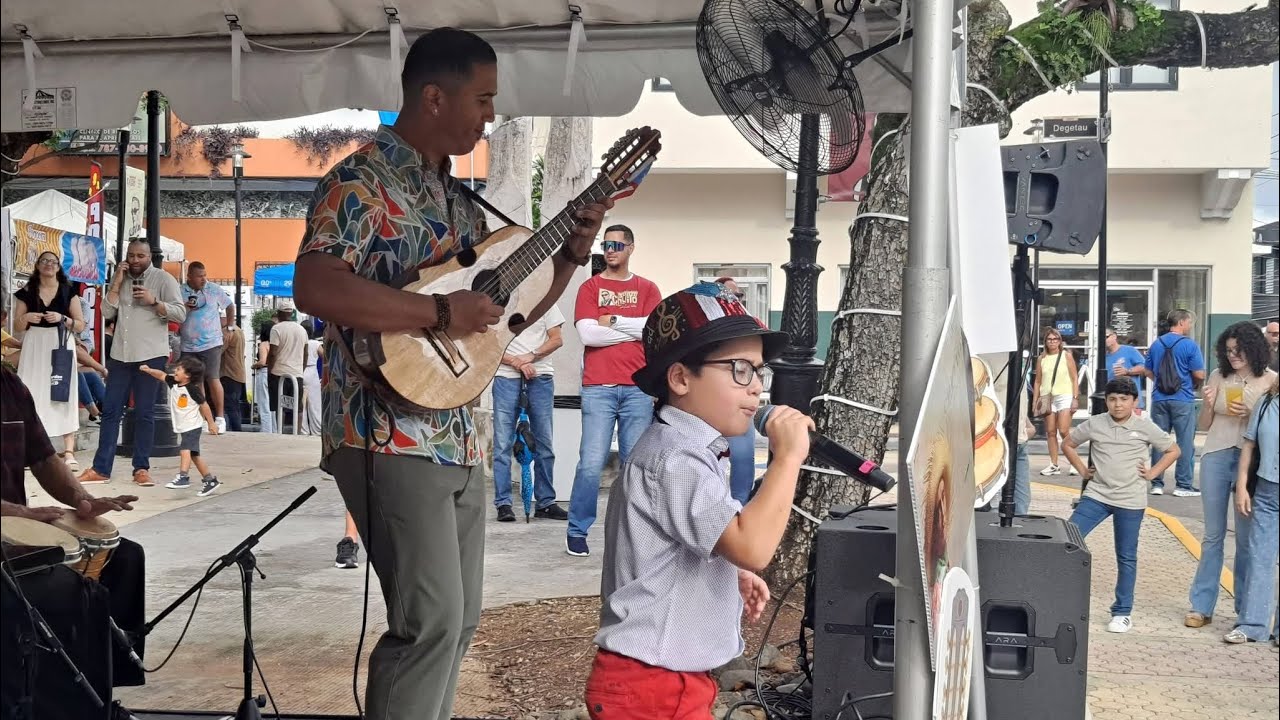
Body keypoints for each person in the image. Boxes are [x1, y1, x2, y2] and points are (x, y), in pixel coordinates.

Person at [291, 28, 611, 720]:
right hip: (386, 433)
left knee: (457, 626)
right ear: (434, 97)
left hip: (457, 433)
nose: (489, 117)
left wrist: (571, 253)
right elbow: (314, 286)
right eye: (483, 99)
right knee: (429, 624)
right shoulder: (361, 181)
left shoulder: (462, 204)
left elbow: (507, 317)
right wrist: (437, 311)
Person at [585, 282, 806, 716]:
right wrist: (788, 458)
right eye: (739, 369)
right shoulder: (675, 457)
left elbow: (686, 544)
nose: (755, 389)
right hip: (650, 684)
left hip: (666, 680)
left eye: (759, 371)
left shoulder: (688, 448)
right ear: (681, 377)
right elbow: (753, 545)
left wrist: (725, 571)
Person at [0, 364, 148, 700]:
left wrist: (82, 500)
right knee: (74, 592)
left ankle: (109, 683)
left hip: (17, 532)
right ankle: (65, 699)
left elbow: (43, 459)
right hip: (8, 536)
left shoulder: (9, 384)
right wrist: (23, 512)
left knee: (125, 557)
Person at [567, 224, 662, 557]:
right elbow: (589, 336)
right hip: (599, 388)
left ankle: (633, 534)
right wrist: (632, 328)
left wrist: (612, 320)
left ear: (631, 248)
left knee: (634, 466)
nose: (611, 250)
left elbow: (653, 332)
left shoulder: (648, 288)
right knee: (590, 464)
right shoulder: (590, 287)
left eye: (617, 245)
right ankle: (577, 530)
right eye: (606, 244)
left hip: (637, 388)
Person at [1062, 378, 1179, 634]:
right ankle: (1062, 601)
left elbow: (1173, 450)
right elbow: (1068, 444)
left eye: (1124, 399)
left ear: (1134, 402)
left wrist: (1152, 474)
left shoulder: (1145, 426)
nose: (1118, 405)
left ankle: (1122, 612)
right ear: (1106, 401)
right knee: (1068, 541)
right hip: (1097, 495)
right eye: (1113, 399)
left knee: (1126, 556)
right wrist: (1083, 470)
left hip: (1131, 500)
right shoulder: (1095, 423)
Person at [1183, 322, 1276, 630]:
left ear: (1254, 348)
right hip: (1217, 453)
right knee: (1213, 535)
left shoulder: (1271, 381)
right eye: (1229, 351)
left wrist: (1250, 412)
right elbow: (1205, 424)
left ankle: (1245, 609)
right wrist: (1209, 405)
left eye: (1239, 350)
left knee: (1247, 540)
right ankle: (1201, 605)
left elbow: (1268, 423)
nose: (1233, 356)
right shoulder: (1218, 376)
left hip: (1251, 461)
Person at [78, 239, 186, 487]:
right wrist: (115, 283)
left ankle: (141, 468)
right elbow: (106, 313)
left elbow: (180, 313)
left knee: (145, 413)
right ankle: (100, 469)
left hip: (150, 354)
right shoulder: (121, 277)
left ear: (150, 257)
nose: (135, 260)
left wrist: (154, 302)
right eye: (131, 255)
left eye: (141, 256)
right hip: (120, 355)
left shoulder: (163, 279)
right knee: (111, 411)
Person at [492, 304, 568, 522]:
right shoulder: (501, 303)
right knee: (502, 444)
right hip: (505, 377)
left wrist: (531, 357)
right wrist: (517, 362)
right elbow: (488, 343)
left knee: (544, 442)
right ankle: (504, 504)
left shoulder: (548, 302)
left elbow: (557, 339)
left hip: (540, 377)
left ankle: (545, 503)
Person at [13, 251, 85, 469]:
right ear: (37, 265)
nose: (48, 265)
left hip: (60, 342)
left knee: (62, 390)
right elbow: (17, 326)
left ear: (58, 266)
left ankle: (69, 450)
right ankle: (31, 449)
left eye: (53, 262)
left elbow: (80, 324)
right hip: (35, 343)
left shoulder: (68, 290)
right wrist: (25, 318)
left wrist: (63, 318)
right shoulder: (27, 291)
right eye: (44, 261)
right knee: (31, 391)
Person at [1229, 374, 1279, 646]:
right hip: (1268, 490)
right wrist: (1242, 487)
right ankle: (1252, 626)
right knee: (1259, 557)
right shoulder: (1267, 401)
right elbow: (1249, 445)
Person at [1143, 309, 1206, 497]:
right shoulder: (1189, 345)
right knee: (1185, 442)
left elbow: (1147, 371)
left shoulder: (1156, 344)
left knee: (1159, 441)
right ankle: (1183, 485)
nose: (1190, 326)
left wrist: (1160, 382)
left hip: (1159, 399)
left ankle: (1156, 483)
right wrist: (1193, 383)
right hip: (1183, 398)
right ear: (1182, 322)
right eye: (1189, 322)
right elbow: (1199, 374)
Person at [140, 357, 222, 497]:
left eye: (178, 369)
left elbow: (204, 405)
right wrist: (148, 370)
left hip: (192, 426)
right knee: (194, 455)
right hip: (184, 426)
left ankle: (183, 476)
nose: (175, 371)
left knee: (185, 449)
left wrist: (211, 423)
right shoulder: (173, 383)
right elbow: (161, 375)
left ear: (188, 375)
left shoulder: (192, 389)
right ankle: (210, 481)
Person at [718, 277, 760, 504]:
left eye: (739, 296)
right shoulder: (705, 328)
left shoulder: (751, 325)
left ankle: (739, 509)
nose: (734, 300)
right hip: (712, 406)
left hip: (741, 402)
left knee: (743, 458)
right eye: (727, 295)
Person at [178, 262, 233, 433]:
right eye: (199, 276)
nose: (203, 279)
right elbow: (175, 312)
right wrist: (186, 307)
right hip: (188, 345)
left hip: (211, 342)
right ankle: (203, 418)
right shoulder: (180, 291)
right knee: (196, 381)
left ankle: (220, 418)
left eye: (204, 275)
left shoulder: (214, 289)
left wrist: (229, 327)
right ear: (189, 277)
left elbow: (230, 305)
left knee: (212, 378)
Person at [1033, 327, 1079, 477]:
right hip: (1047, 397)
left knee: (1064, 429)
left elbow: (1074, 377)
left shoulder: (1066, 356)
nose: (1052, 342)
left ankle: (1073, 462)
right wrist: (1035, 401)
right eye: (1049, 339)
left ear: (1060, 341)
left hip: (1064, 394)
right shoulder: (1042, 358)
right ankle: (1054, 464)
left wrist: (1075, 398)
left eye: (1055, 339)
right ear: (1045, 342)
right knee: (1050, 431)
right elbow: (1038, 381)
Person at [267, 302, 307, 433]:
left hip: (279, 372)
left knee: (280, 405)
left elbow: (273, 353)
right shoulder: (302, 330)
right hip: (297, 373)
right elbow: (305, 353)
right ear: (291, 313)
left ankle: (280, 431)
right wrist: (301, 369)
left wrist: (269, 370)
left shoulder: (276, 329)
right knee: (298, 406)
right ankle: (298, 432)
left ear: (279, 313)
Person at [1105, 327, 1146, 412]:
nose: (1104, 340)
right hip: (1114, 404)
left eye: (1106, 337)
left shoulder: (1129, 350)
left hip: (1131, 402)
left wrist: (1127, 371)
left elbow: (1145, 367)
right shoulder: (1103, 357)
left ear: (1114, 336)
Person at [220, 323, 247, 432]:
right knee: (235, 406)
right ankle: (237, 430)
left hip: (228, 373)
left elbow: (219, 350)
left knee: (230, 406)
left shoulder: (227, 332)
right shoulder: (239, 330)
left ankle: (237, 431)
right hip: (238, 373)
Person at [252, 321, 276, 432]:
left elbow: (262, 361)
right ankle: (274, 429)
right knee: (272, 406)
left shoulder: (263, 344)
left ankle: (266, 430)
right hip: (274, 373)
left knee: (264, 404)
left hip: (264, 372)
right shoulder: (275, 344)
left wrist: (254, 365)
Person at [301, 319, 323, 435]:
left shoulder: (300, 342)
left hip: (300, 370)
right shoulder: (315, 344)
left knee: (302, 403)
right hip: (312, 371)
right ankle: (316, 430)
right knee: (314, 404)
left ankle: (303, 430)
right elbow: (325, 356)